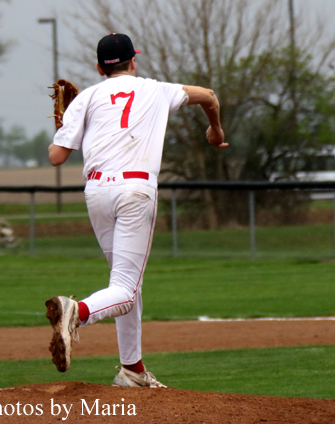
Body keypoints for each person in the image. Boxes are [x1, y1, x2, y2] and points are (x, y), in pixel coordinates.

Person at [45, 32, 228, 388]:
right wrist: (215, 129)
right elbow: (209, 95)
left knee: (126, 284)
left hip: (96, 192)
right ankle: (76, 312)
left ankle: (133, 369)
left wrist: (68, 125)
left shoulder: (87, 99)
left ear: (99, 67)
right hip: (134, 190)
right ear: (134, 61)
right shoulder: (155, 89)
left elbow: (56, 157)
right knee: (126, 291)